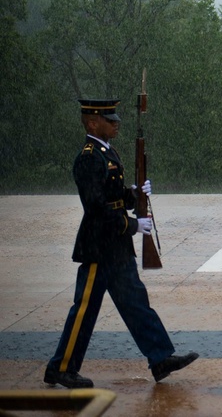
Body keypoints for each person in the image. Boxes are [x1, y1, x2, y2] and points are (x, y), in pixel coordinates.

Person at [44, 99, 198, 389]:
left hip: (115, 247)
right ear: (92, 123)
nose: (116, 123)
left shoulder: (106, 152)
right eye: (108, 119)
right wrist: (131, 225)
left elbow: (113, 194)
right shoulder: (89, 157)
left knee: (135, 302)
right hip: (99, 246)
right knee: (85, 308)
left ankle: (160, 357)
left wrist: (134, 194)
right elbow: (96, 207)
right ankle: (60, 368)